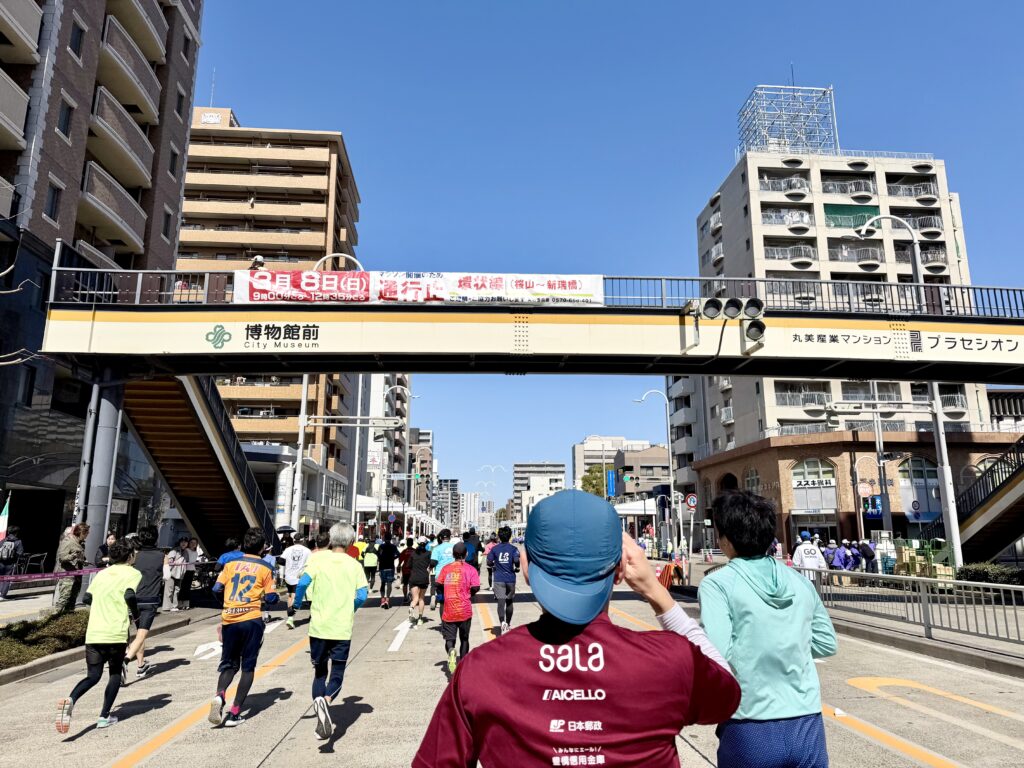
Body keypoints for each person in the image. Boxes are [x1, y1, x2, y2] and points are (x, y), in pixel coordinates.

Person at [413, 490, 741, 767]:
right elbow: (727, 691)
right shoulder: (672, 660)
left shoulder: (481, 671)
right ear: (620, 570)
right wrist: (659, 595)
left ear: (526, 568)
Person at [699, 490, 838, 767]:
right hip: (807, 721)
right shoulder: (799, 581)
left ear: (726, 539)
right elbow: (826, 643)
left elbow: (716, 652)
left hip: (748, 720)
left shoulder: (718, 584)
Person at [293, 522, 368, 740]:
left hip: (318, 627)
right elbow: (362, 595)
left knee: (319, 673)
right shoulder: (354, 565)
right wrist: (349, 609)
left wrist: (296, 605)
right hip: (341, 629)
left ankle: (319, 710)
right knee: (337, 675)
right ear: (351, 542)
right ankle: (326, 702)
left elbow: (302, 584)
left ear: (331, 539)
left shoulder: (317, 560)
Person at [55, 539, 140, 732]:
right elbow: (129, 595)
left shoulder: (102, 574)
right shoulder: (133, 573)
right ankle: (104, 716)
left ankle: (71, 699)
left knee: (93, 676)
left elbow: (87, 598)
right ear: (129, 556)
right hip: (115, 632)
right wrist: (136, 617)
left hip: (94, 632)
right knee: (115, 673)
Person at [208, 526, 279, 727]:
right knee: (248, 667)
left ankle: (220, 695)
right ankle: (235, 712)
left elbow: (216, 588)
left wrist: (226, 603)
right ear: (262, 547)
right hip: (251, 619)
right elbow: (272, 597)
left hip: (230, 617)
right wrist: (270, 598)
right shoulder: (266, 567)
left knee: (229, 664)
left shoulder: (230, 564)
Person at [124, 525, 164, 681]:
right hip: (151, 599)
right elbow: (166, 576)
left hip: (132, 598)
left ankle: (141, 665)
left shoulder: (134, 556)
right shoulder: (161, 555)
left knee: (133, 633)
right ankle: (125, 661)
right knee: (141, 634)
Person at [437, 541, 480, 674]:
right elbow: (476, 587)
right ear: (466, 554)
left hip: (449, 609)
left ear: (453, 554)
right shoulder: (471, 569)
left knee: (450, 639)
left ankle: (451, 651)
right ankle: (462, 666)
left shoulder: (446, 569)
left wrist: (445, 593)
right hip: (464, 609)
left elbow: (438, 584)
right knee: (465, 639)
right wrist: (468, 593)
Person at [486, 526, 520, 635]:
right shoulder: (514, 549)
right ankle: (508, 624)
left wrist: (494, 564)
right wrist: (517, 567)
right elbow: (516, 560)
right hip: (510, 578)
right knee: (509, 602)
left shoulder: (495, 549)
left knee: (501, 603)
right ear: (510, 536)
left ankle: (502, 623)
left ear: (499, 537)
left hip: (499, 579)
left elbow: (489, 561)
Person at [54, 523, 89, 613]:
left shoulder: (81, 543)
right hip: (67, 575)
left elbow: (80, 557)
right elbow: (62, 557)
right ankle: (55, 617)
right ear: (81, 532)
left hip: (77, 575)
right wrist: (72, 556)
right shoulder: (68, 541)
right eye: (86, 533)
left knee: (73, 599)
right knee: (64, 598)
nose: (87, 536)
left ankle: (68, 619)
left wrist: (83, 561)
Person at [281, 536, 312, 629]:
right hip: (298, 576)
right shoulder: (307, 550)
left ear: (294, 541)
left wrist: (290, 563)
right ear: (302, 541)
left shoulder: (288, 549)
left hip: (288, 576)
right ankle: (290, 618)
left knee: (290, 596)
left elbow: (280, 561)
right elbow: (311, 563)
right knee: (294, 596)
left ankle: (290, 617)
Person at [408, 537, 433, 627]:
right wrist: (429, 569)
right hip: (423, 577)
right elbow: (433, 563)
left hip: (414, 577)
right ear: (426, 544)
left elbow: (408, 565)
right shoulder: (428, 554)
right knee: (421, 598)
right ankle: (420, 618)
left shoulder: (413, 554)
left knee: (415, 599)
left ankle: (411, 608)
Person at [429, 529, 455, 611]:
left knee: (442, 601)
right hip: (453, 576)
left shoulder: (436, 549)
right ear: (450, 537)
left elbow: (433, 562)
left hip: (440, 577)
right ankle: (452, 618)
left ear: (440, 538)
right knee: (452, 599)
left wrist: (429, 568)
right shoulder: (454, 547)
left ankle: (444, 620)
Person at [165, 537, 194, 612]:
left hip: (180, 573)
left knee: (177, 590)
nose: (184, 543)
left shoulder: (186, 552)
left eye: (185, 542)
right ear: (179, 542)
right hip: (171, 573)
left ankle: (174, 606)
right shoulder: (174, 551)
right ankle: (167, 607)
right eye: (182, 542)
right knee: (169, 590)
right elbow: (169, 562)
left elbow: (187, 561)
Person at [0, 525, 25, 600]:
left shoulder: (3, 540)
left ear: (8, 532)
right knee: (7, 578)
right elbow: (20, 553)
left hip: (0, 562)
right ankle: (3, 595)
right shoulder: (18, 541)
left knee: (1, 577)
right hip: (10, 563)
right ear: (16, 533)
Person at [377, 536, 399, 609]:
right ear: (390, 539)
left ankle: (382, 599)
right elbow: (398, 554)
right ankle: (387, 600)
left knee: (383, 583)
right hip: (390, 567)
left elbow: (378, 554)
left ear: (384, 539)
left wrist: (381, 559)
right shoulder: (393, 546)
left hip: (382, 567)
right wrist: (393, 558)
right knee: (389, 584)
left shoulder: (381, 546)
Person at [398, 537, 415, 604]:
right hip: (413, 570)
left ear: (407, 544)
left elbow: (400, 560)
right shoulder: (415, 551)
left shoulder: (404, 551)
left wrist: (399, 566)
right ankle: (411, 594)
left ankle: (405, 597)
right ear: (412, 543)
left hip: (405, 569)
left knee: (405, 584)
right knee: (412, 584)